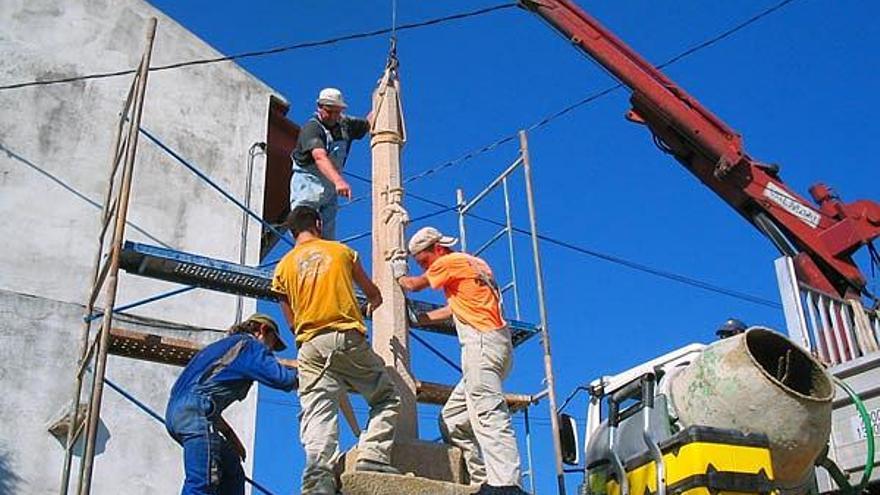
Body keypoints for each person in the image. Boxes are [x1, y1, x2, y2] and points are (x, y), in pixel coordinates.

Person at [272, 205, 400, 494]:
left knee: (318, 413)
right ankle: (373, 455)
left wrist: (302, 330)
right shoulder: (342, 252)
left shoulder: (283, 266)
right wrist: (371, 304)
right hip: (345, 336)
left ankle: (319, 482)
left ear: (292, 231)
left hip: (309, 345)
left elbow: (288, 313)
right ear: (318, 223)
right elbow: (373, 293)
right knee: (387, 396)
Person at [392, 226, 526, 495]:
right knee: (453, 420)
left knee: (489, 415)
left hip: (482, 346)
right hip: (496, 346)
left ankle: (507, 485)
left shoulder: (448, 262)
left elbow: (412, 285)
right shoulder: (474, 264)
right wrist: (422, 319)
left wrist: (398, 268)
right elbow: (457, 307)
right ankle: (483, 480)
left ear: (438, 249)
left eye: (424, 261)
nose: (425, 267)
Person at [165, 314, 297, 495]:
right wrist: (312, 373)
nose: (271, 351)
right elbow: (283, 379)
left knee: (231, 468)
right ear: (262, 330)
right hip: (195, 415)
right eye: (272, 344)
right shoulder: (249, 346)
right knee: (202, 482)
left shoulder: (223, 348)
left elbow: (202, 399)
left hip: (179, 414)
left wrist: (231, 437)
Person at [289, 87, 371, 240]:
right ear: (319, 107)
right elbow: (319, 156)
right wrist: (339, 181)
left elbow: (369, 122)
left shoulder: (346, 124)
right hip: (308, 185)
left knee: (327, 236)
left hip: (329, 189)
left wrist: (385, 96)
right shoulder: (312, 128)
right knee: (304, 228)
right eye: (329, 111)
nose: (333, 116)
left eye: (337, 111)